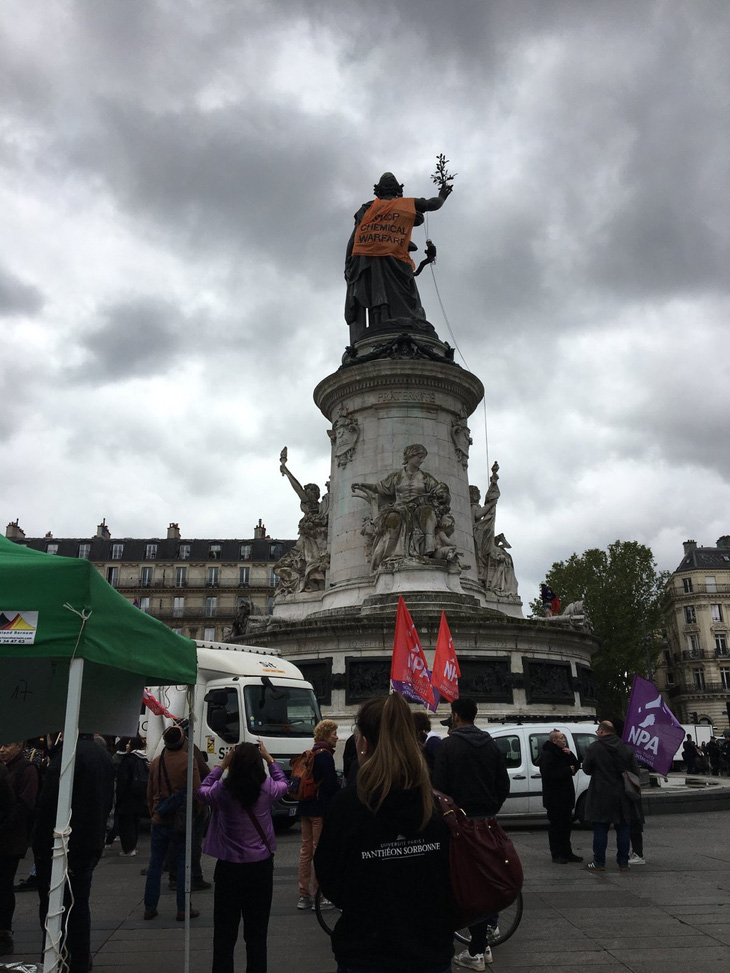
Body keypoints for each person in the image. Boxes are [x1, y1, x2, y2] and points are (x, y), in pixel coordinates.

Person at [315, 694, 453, 973]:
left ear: (363, 744)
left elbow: (328, 876)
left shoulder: (347, 804)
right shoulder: (436, 804)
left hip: (365, 951)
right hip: (429, 950)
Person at [432, 697, 510, 971]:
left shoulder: (448, 746)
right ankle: (484, 942)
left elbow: (438, 789)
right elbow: (504, 784)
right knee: (486, 877)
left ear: (455, 716)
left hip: (460, 824)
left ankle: (477, 949)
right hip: (488, 820)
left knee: (468, 883)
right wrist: (490, 808)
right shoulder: (491, 744)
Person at [198, 739, 287, 973]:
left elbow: (201, 790)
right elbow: (284, 784)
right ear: (258, 764)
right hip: (260, 868)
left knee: (224, 936)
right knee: (257, 935)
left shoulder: (223, 791)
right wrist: (270, 759)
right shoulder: (266, 788)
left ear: (233, 763)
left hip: (229, 868)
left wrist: (221, 765)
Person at [34, 732, 114, 973]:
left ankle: (62, 958)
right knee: (79, 905)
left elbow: (48, 804)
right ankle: (79, 958)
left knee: (57, 906)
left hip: (65, 843)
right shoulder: (101, 754)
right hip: (89, 840)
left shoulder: (67, 755)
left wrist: (39, 843)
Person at [345, 171, 451, 342]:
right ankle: (403, 322)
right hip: (398, 259)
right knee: (408, 295)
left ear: (378, 191)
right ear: (398, 190)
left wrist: (349, 264)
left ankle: (382, 321)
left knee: (379, 292)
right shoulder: (405, 204)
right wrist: (443, 194)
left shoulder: (368, 209)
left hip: (373, 258)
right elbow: (434, 204)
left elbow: (354, 237)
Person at [143, 725, 202, 922]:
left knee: (155, 864)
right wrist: (196, 813)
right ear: (182, 740)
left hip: (160, 818)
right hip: (181, 819)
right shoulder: (188, 760)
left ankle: (150, 906)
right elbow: (196, 791)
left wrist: (154, 811)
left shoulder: (157, 762)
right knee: (183, 863)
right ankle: (183, 908)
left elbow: (150, 791)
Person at [582, 720, 641, 873]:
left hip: (601, 794)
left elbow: (587, 769)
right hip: (623, 795)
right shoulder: (626, 748)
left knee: (600, 829)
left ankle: (599, 862)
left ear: (602, 731)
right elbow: (635, 771)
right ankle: (623, 862)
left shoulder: (595, 748)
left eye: (597, 731)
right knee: (623, 829)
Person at [0, 740, 40, 957]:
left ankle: (4, 931)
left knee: (4, 885)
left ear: (19, 746)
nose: (2, 749)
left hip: (11, 840)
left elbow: (25, 805)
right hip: (7, 836)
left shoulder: (27, 768)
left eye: (7, 745)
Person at [297, 719, 339, 910]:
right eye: (334, 734)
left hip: (305, 807)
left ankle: (303, 895)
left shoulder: (311, 753)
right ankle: (320, 896)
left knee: (305, 851)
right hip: (320, 809)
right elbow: (331, 785)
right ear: (326, 735)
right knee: (318, 850)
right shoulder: (326, 756)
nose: (337, 737)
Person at [538, 730, 582, 864]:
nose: (564, 740)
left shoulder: (563, 752)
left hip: (566, 796)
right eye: (561, 738)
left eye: (563, 738)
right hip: (555, 798)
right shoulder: (548, 754)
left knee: (566, 826)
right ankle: (556, 853)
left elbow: (576, 765)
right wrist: (568, 770)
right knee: (556, 827)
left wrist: (571, 755)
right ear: (554, 740)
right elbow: (549, 774)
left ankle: (567, 852)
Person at [114, 736, 148, 857]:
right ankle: (133, 846)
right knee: (135, 822)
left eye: (129, 743)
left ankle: (128, 848)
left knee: (126, 824)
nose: (127, 745)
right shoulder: (144, 759)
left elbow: (123, 780)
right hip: (138, 796)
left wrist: (119, 795)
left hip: (127, 796)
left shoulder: (128, 760)